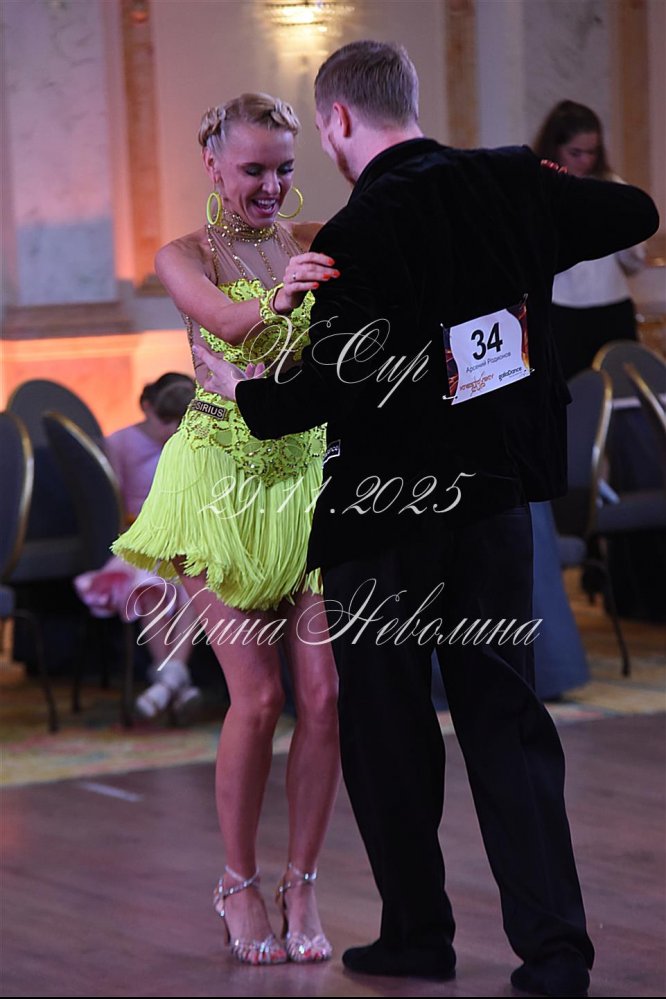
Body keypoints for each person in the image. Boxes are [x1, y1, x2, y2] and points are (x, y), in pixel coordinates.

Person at [195, 41, 659, 996]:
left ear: (336, 120)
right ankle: (556, 953)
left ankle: (416, 934)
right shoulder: (507, 183)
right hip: (493, 502)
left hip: (383, 522)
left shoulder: (355, 233)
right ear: (408, 101)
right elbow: (635, 213)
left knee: (390, 728)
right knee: (506, 717)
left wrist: (248, 396)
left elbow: (326, 385)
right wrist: (532, 191)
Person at [111, 93, 341, 966]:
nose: (271, 186)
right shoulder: (183, 255)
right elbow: (231, 326)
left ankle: (302, 880)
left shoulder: (314, 237)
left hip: (308, 479)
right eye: (253, 169)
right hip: (219, 486)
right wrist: (281, 295)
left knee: (326, 697)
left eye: (284, 167)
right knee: (261, 697)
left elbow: (400, 242)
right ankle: (237, 882)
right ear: (212, 164)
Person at [75, 373, 202, 721]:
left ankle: (168, 681)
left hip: (185, 539)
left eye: (179, 423)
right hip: (139, 541)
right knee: (148, 584)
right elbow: (111, 505)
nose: (171, 430)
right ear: (147, 407)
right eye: (165, 421)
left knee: (197, 582)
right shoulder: (120, 443)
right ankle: (176, 680)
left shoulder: (191, 443)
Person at [533, 100, 647, 379]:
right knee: (568, 389)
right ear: (554, 147)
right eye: (575, 153)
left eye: (592, 152)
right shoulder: (537, 187)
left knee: (622, 388)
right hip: (560, 309)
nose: (585, 161)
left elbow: (635, 261)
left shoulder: (611, 186)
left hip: (612, 307)